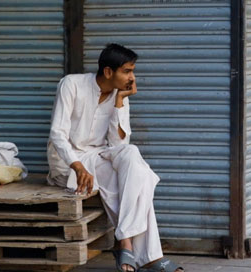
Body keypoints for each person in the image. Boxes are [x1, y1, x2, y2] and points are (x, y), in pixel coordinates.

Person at [46, 43, 183, 272]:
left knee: (134, 160)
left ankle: (125, 242)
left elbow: (120, 145)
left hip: (97, 157)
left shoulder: (120, 95)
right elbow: (57, 133)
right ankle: (148, 255)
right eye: (127, 71)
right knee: (141, 180)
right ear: (109, 72)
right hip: (68, 163)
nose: (132, 77)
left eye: (132, 71)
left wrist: (119, 102)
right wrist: (78, 166)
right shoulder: (72, 84)